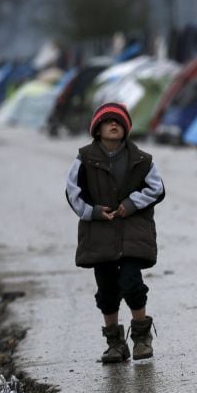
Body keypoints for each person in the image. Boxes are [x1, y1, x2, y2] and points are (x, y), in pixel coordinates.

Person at [65, 102, 165, 364]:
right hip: (100, 235)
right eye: (108, 122)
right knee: (107, 290)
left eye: (119, 122)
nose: (113, 125)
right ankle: (115, 345)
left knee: (132, 283)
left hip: (132, 232)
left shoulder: (142, 159)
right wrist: (94, 212)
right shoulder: (84, 159)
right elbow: (73, 193)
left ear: (126, 129)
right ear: (96, 129)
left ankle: (142, 338)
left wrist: (131, 205)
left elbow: (157, 189)